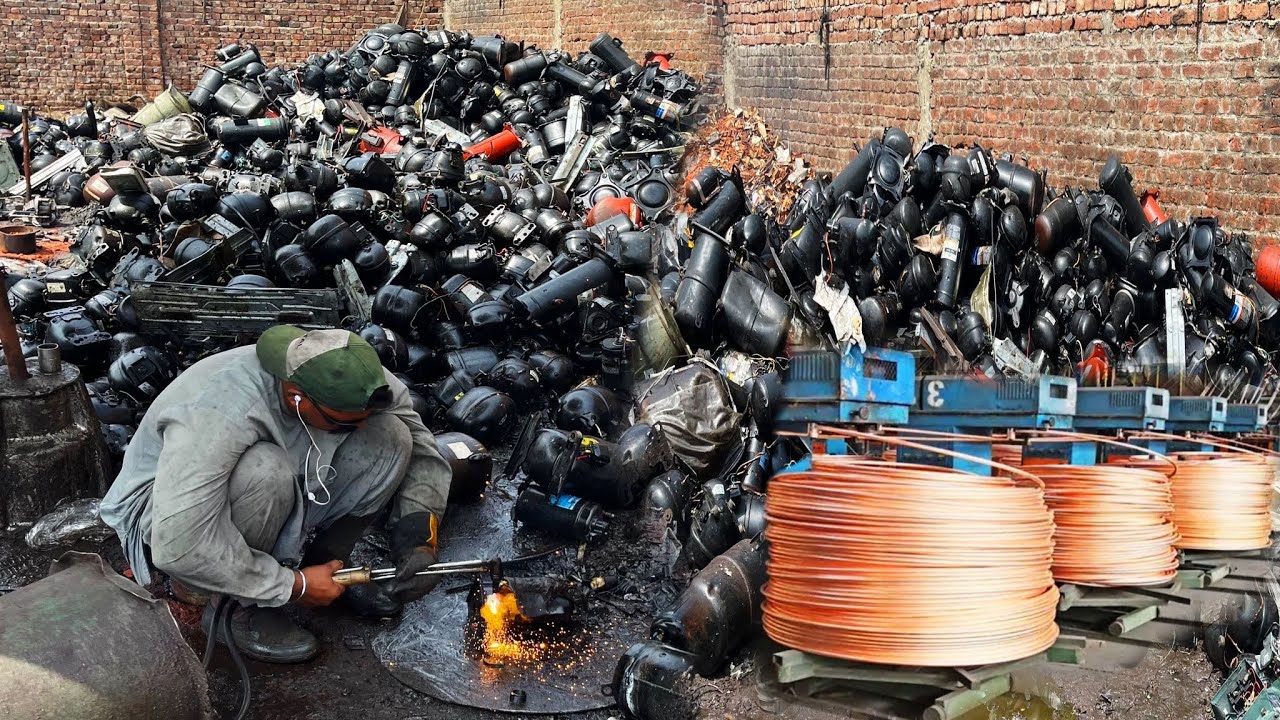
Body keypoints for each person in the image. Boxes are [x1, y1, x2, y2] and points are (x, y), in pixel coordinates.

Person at [101, 325, 453, 663]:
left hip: (285, 471)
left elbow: (424, 451)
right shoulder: (218, 411)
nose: (357, 428)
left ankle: (330, 570)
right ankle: (236, 607)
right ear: (295, 397)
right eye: (344, 423)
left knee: (391, 436)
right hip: (169, 515)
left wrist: (419, 536)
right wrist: (292, 586)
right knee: (266, 470)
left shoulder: (361, 379)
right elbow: (178, 545)